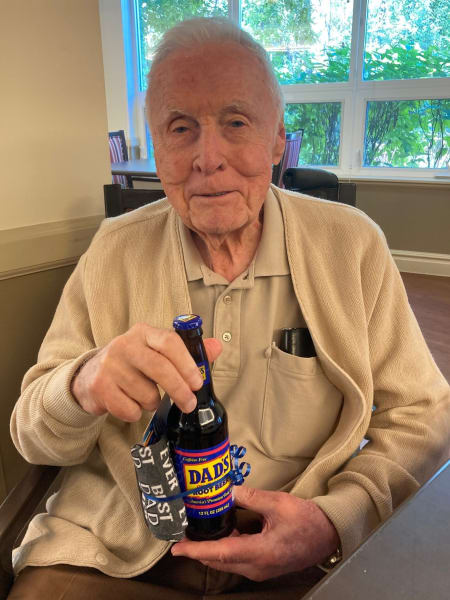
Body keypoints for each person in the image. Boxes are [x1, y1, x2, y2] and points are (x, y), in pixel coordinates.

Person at [8, 16, 449, 600]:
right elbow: (34, 435)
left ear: (276, 142)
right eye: (180, 127)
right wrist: (83, 384)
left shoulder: (352, 245)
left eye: (235, 123)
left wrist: (336, 519)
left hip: (301, 561)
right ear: (157, 147)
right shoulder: (112, 251)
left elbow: (422, 413)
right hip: (114, 552)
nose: (206, 157)